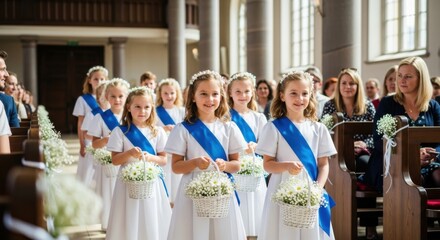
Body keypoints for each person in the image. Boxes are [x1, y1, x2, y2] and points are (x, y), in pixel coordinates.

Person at [165, 70, 247, 240]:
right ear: (193, 97)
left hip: (222, 189)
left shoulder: (229, 128)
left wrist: (225, 165)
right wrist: (194, 163)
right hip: (192, 188)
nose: (210, 100)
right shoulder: (183, 129)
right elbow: (176, 166)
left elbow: (237, 164)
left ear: (221, 97)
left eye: (215, 94)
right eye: (203, 94)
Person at [256, 71, 337, 240]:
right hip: (281, 188)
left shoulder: (318, 128)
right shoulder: (273, 127)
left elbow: (323, 164)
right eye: (293, 93)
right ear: (282, 96)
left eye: (305, 94)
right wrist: (286, 166)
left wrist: (318, 188)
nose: (300, 99)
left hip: (311, 189)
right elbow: (267, 164)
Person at [365, 56, 440, 192]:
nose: (401, 80)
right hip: (393, 162)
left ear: (421, 79)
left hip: (429, 162)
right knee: (414, 176)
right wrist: (413, 155)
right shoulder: (388, 103)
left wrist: (430, 155)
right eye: (400, 75)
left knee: (437, 173)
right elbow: (378, 140)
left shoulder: (433, 106)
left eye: (408, 76)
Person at [106, 86, 171, 240]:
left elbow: (163, 160)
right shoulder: (119, 132)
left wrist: (150, 158)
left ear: (152, 108)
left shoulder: (158, 131)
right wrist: (129, 153)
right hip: (127, 183)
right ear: (128, 107)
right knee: (129, 212)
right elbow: (114, 160)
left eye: (146, 107)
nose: (142, 111)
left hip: (152, 182)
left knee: (151, 213)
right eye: (137, 107)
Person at [321, 68, 377, 238]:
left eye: (351, 83)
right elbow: (324, 133)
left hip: (362, 153)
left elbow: (376, 135)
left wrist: (362, 144)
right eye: (344, 83)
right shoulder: (330, 105)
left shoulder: (367, 106)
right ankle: (337, 222)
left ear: (357, 85)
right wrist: (347, 144)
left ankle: (370, 226)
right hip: (338, 152)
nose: (347, 87)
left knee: (369, 167)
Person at [227, 72, 267, 237]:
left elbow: (266, 144)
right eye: (238, 91)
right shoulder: (225, 117)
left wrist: (256, 146)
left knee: (256, 207)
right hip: (234, 167)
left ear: (253, 92)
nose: (243, 96)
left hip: (254, 168)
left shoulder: (259, 118)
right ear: (230, 93)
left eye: (246, 91)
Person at [88, 78, 130, 231]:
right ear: (106, 97)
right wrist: (106, 139)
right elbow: (94, 143)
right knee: (109, 195)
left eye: (121, 96)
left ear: (127, 97)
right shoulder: (100, 118)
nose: (117, 100)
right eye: (113, 96)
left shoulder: (130, 117)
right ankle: (108, 225)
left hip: (127, 162)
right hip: (108, 163)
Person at [155, 78, 185, 206]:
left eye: (172, 93)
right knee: (166, 178)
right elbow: (150, 129)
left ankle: (176, 204)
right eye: (165, 93)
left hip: (178, 149)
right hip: (163, 150)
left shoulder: (182, 111)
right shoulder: (155, 111)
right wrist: (162, 129)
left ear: (177, 94)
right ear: (160, 94)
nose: (169, 96)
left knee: (177, 180)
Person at [72, 65, 108, 160]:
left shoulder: (110, 98)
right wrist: (82, 144)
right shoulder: (83, 99)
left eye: (102, 79)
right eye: (96, 79)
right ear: (89, 80)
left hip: (106, 139)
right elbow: (80, 123)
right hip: (90, 138)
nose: (99, 82)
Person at [78, 81, 109, 187]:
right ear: (98, 98)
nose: (105, 98)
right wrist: (101, 139)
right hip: (95, 148)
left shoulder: (114, 114)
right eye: (102, 95)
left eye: (107, 95)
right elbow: (86, 133)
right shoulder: (92, 114)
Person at [0, 50, 19, 127]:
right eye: (2, 69)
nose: (6, 74)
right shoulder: (6, 101)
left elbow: (15, 131)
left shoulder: (8, 101)